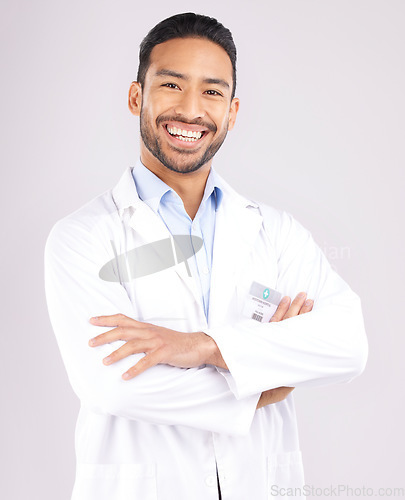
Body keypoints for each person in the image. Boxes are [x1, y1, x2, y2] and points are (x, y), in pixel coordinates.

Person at [44, 12, 368, 500]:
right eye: (172, 85)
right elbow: (115, 386)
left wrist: (205, 347)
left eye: (212, 92)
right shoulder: (83, 237)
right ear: (137, 97)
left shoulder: (274, 232)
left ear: (233, 111)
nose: (191, 109)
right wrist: (266, 379)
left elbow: (347, 345)